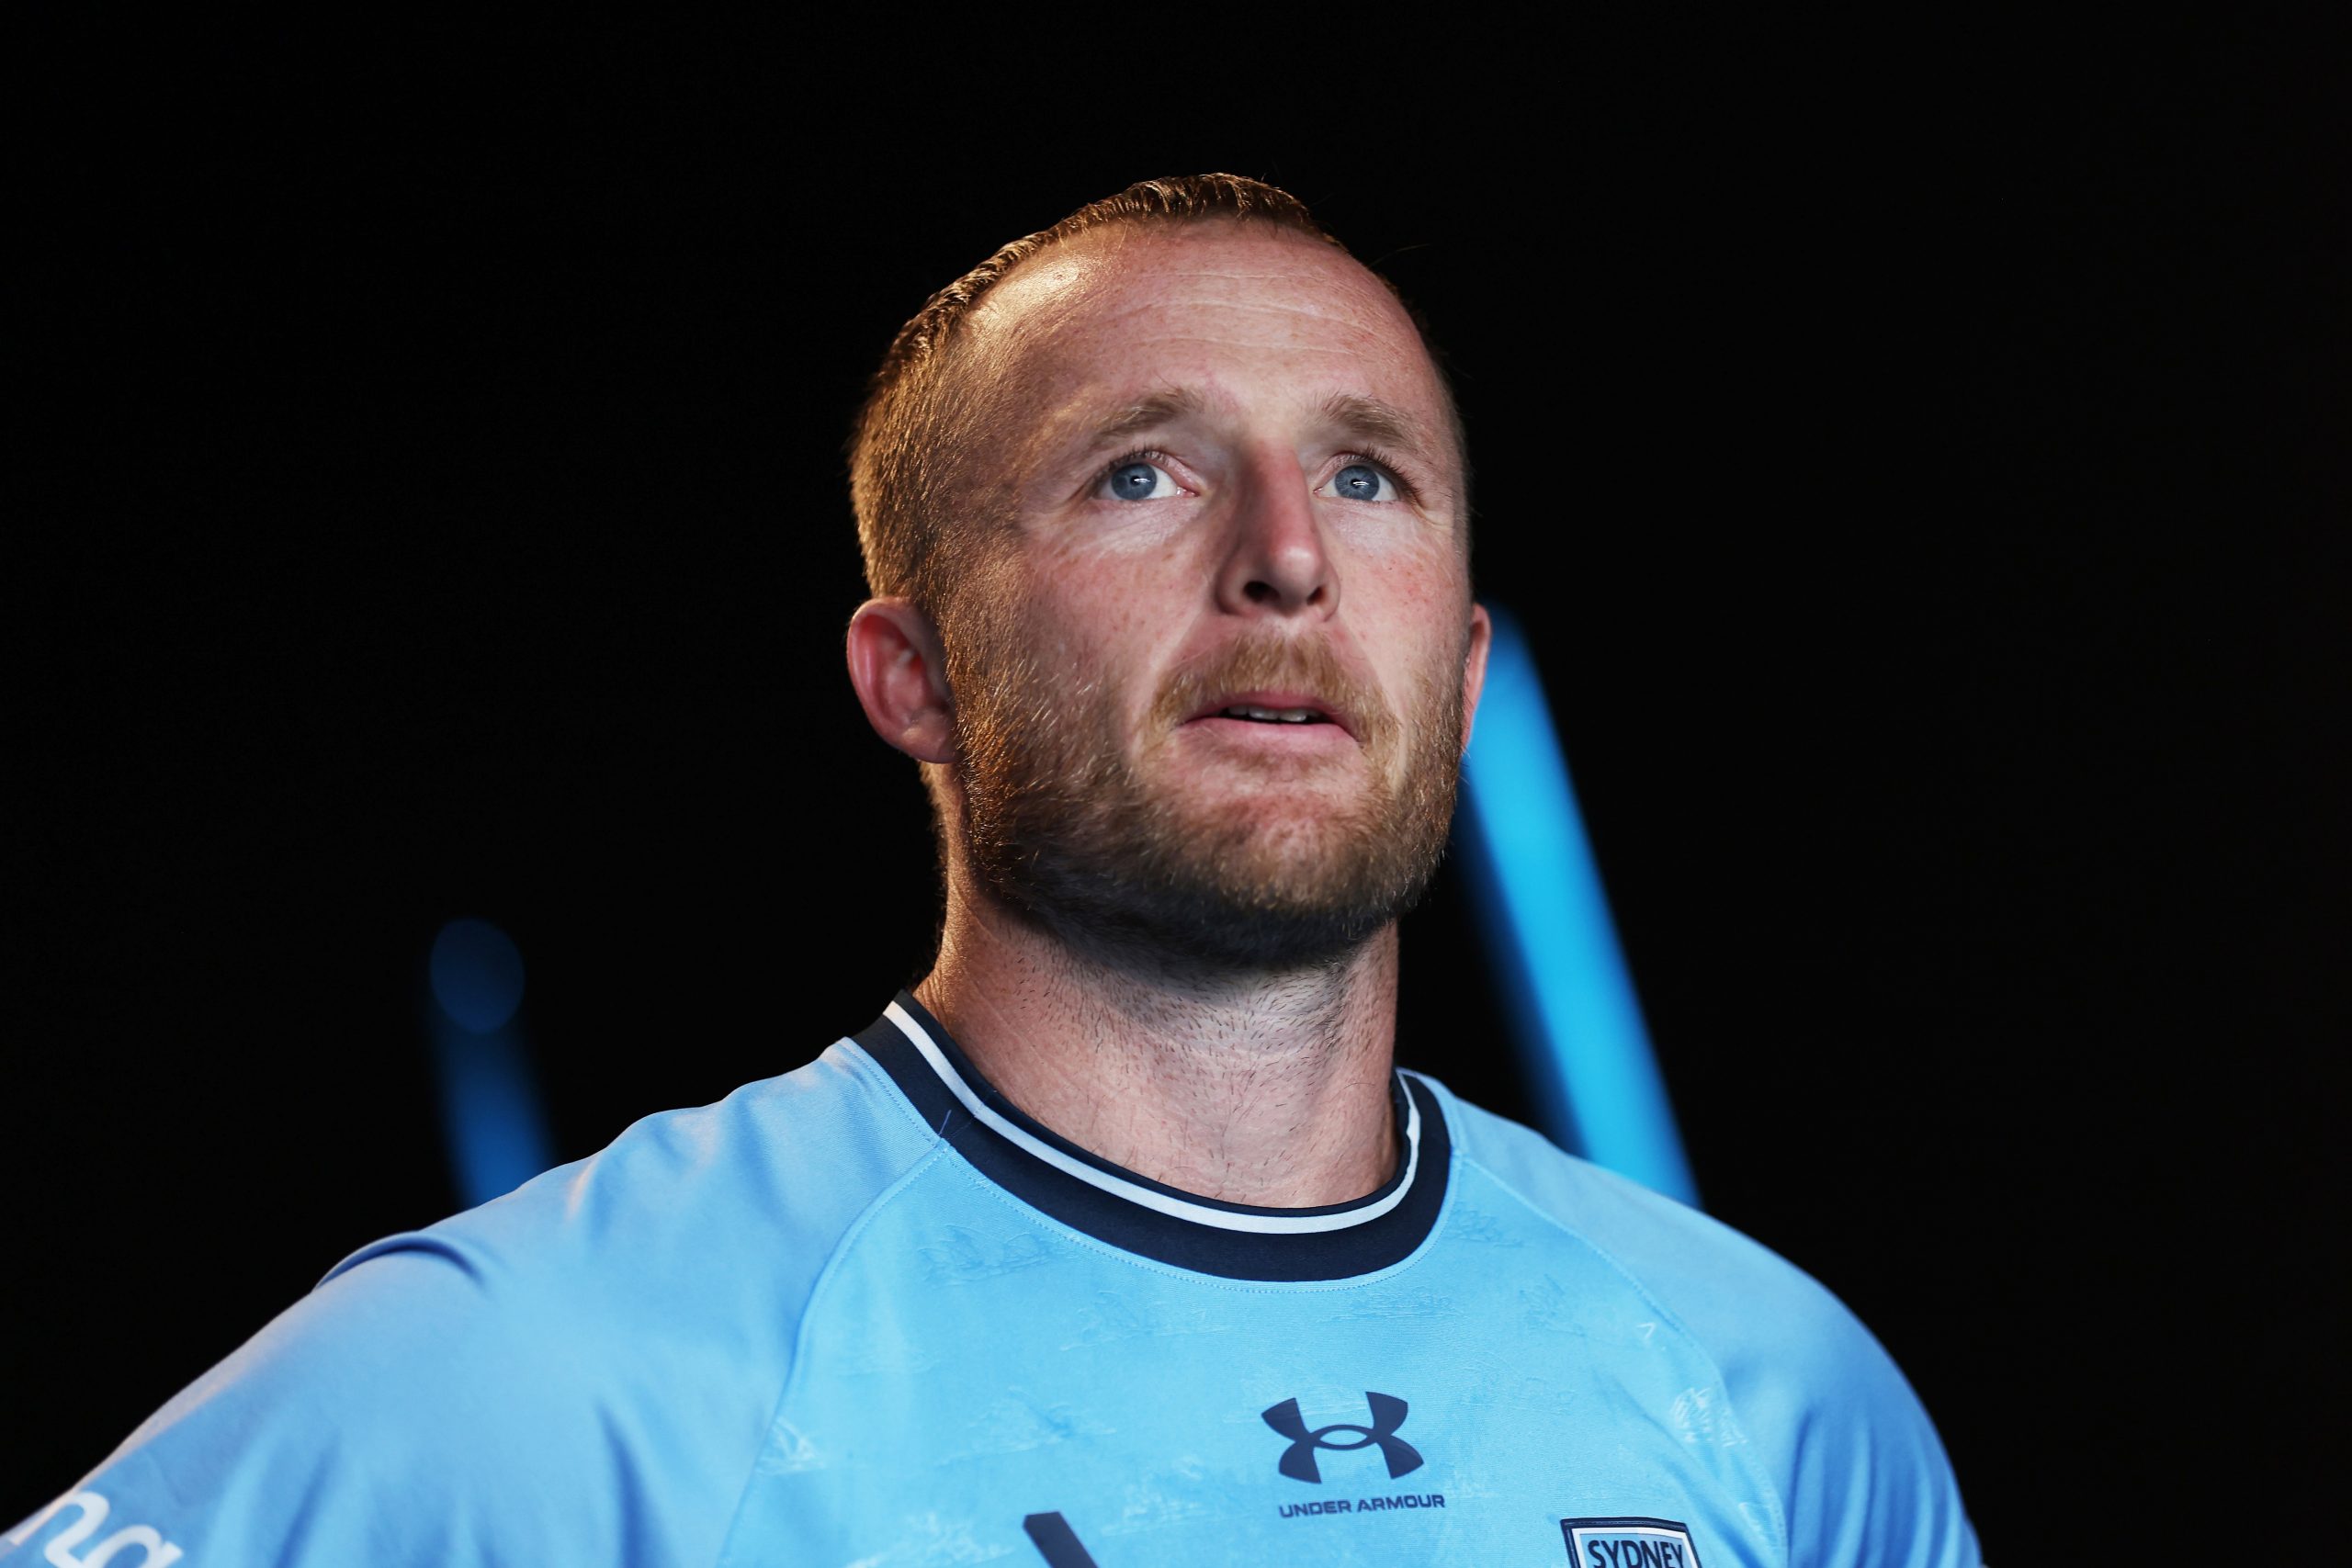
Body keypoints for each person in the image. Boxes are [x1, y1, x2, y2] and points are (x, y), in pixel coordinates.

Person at [5, 174, 1980, 1567]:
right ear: (913, 674)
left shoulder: (1774, 1395)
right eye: (1144, 470)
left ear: (1456, 673)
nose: (1284, 553)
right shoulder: (537, 1384)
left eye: (1366, 473)